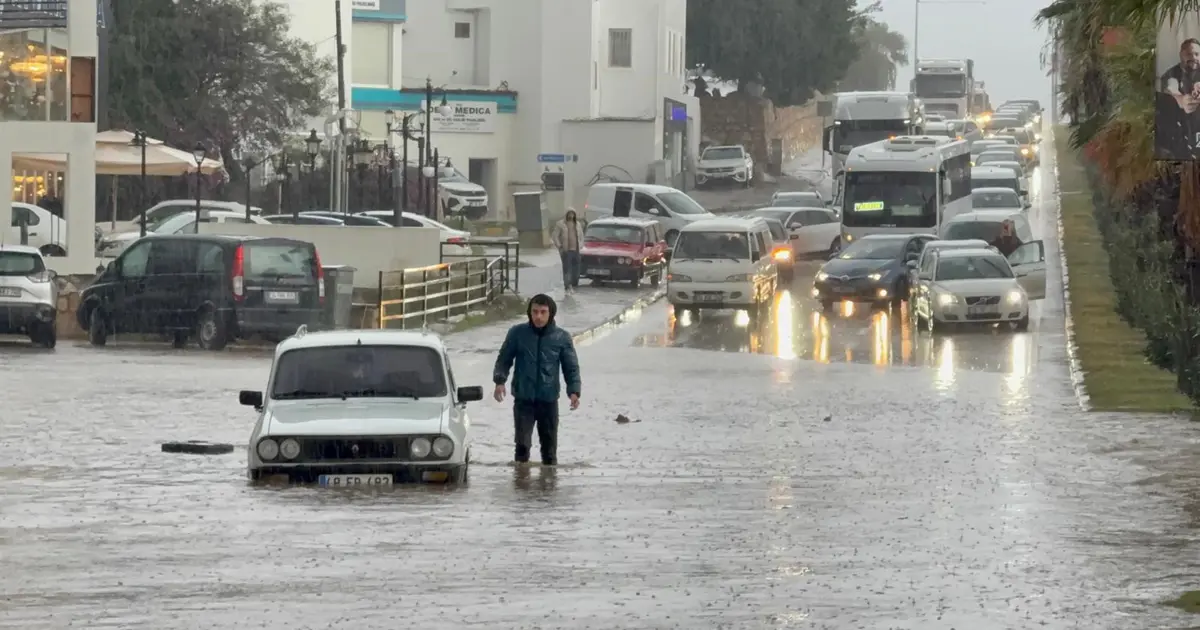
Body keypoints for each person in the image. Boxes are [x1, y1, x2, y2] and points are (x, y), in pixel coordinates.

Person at [493, 294, 581, 466]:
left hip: (548, 401)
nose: (538, 317)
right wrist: (499, 381)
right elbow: (504, 359)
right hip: (523, 399)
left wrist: (574, 392)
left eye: (543, 312)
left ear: (551, 314)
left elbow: (571, 367)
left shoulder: (561, 338)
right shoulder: (517, 333)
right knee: (522, 446)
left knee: (549, 452)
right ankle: (521, 484)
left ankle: (547, 487)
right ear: (529, 313)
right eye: (535, 312)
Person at [552, 209, 585, 292]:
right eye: (569, 214)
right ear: (566, 214)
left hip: (576, 251)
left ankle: (574, 284)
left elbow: (581, 237)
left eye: (573, 214)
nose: (571, 216)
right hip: (566, 251)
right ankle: (567, 285)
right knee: (567, 269)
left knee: (576, 269)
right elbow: (555, 236)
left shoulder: (577, 224)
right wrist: (559, 246)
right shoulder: (561, 224)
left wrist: (580, 245)